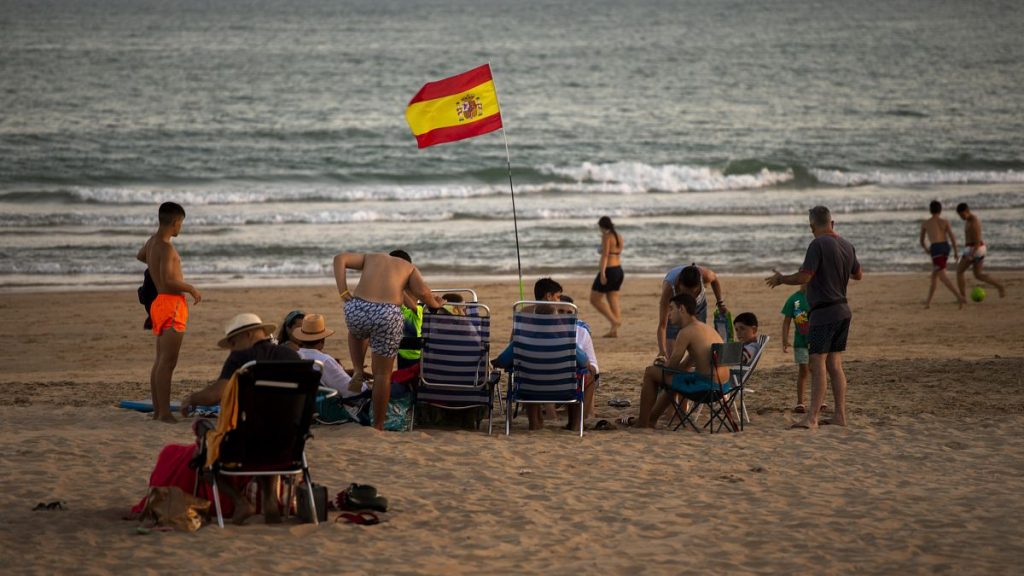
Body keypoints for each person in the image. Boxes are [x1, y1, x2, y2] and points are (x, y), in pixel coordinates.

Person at [180, 313, 299, 524]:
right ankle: (270, 500)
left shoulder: (240, 359)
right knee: (269, 430)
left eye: (233, 342)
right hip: (289, 445)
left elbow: (215, 394)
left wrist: (191, 398)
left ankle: (241, 502)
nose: (232, 348)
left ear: (250, 334)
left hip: (245, 447)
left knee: (204, 457)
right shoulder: (291, 356)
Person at [766, 205, 862, 429]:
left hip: (823, 312)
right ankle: (840, 415)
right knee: (835, 364)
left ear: (812, 227)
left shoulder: (817, 244)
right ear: (832, 223)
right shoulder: (847, 245)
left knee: (817, 362)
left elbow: (804, 276)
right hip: (843, 311)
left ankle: (812, 417)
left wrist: (781, 279)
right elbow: (858, 274)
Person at [333, 249, 444, 431]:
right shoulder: (408, 268)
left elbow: (340, 259)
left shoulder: (372, 257)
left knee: (356, 332)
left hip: (357, 308)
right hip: (387, 315)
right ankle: (378, 425)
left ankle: (358, 369)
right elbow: (423, 293)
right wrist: (435, 303)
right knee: (382, 376)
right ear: (406, 261)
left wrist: (343, 290)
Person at [136, 202, 202, 423]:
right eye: (181, 224)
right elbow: (168, 282)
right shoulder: (166, 247)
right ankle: (163, 412)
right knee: (168, 362)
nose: (180, 228)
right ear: (175, 222)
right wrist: (190, 288)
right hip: (171, 305)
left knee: (160, 360)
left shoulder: (152, 243)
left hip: (159, 305)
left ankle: (158, 410)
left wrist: (154, 265)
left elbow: (140, 256)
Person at [492, 303, 590, 431]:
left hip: (530, 391)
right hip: (564, 391)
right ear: (556, 321)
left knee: (528, 378)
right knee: (578, 379)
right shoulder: (568, 342)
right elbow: (585, 363)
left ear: (534, 321)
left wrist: (494, 362)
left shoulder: (521, 340)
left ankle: (534, 423)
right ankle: (574, 425)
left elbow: (503, 362)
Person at [638, 293, 729, 428]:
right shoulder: (706, 328)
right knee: (674, 379)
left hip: (705, 388)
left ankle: (642, 423)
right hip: (723, 388)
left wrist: (661, 365)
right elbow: (685, 365)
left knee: (650, 372)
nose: (668, 313)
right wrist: (668, 369)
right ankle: (652, 419)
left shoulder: (686, 332)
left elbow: (672, 366)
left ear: (681, 309)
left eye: (671, 308)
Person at [656, 264, 726, 361]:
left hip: (699, 306)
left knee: (698, 339)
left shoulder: (706, 275)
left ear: (701, 283)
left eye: (694, 292)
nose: (690, 297)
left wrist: (720, 302)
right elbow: (663, 325)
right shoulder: (669, 289)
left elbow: (714, 280)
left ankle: (692, 364)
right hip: (676, 306)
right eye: (686, 293)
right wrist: (662, 351)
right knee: (670, 355)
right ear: (679, 284)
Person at [291, 313, 360, 397]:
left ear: (301, 339)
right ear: (322, 340)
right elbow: (350, 391)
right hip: (324, 406)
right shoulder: (325, 361)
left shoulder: (293, 356)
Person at [955, 203, 1006, 300]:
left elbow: (977, 241)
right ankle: (999, 286)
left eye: (962, 215)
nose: (961, 217)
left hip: (975, 249)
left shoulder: (974, 222)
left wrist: (971, 255)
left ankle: (962, 297)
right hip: (975, 249)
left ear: (967, 211)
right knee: (978, 275)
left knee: (959, 271)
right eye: (959, 216)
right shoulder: (968, 220)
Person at [561, 294, 600, 419]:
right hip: (549, 383)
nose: (565, 316)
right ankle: (578, 421)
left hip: (573, 381)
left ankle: (585, 415)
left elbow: (594, 365)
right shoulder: (544, 331)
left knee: (590, 373)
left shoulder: (582, 333)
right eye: (561, 311)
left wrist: (589, 368)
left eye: (569, 313)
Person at [920, 201, 965, 309]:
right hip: (945, 247)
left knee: (942, 276)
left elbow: (921, 241)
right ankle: (928, 303)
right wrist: (955, 252)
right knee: (934, 276)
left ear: (930, 210)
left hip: (936, 249)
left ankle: (958, 296)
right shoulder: (944, 222)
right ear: (940, 210)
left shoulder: (926, 223)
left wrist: (926, 249)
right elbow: (952, 237)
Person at [589, 216, 624, 337]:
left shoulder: (606, 236)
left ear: (602, 226)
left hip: (609, 270)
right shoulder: (618, 236)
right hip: (618, 270)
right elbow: (616, 252)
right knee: (612, 297)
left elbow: (604, 256)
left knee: (594, 299)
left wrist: (602, 273)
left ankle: (615, 321)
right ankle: (614, 330)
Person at [780, 285, 811, 413]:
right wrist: (785, 339)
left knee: (818, 370)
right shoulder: (794, 299)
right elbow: (786, 321)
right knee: (803, 370)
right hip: (800, 342)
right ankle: (800, 402)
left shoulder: (819, 295)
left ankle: (820, 400)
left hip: (817, 341)